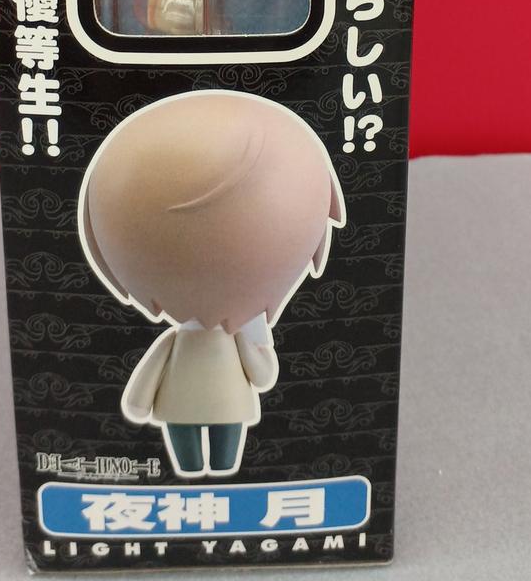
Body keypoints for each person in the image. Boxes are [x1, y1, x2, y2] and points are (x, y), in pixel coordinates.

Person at [80, 90, 344, 476]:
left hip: (221, 406)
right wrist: (137, 401)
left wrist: (255, 343)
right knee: (191, 455)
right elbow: (259, 375)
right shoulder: (182, 342)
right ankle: (197, 470)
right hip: (190, 406)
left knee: (224, 455)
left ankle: (220, 468)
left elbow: (263, 374)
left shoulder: (231, 336)